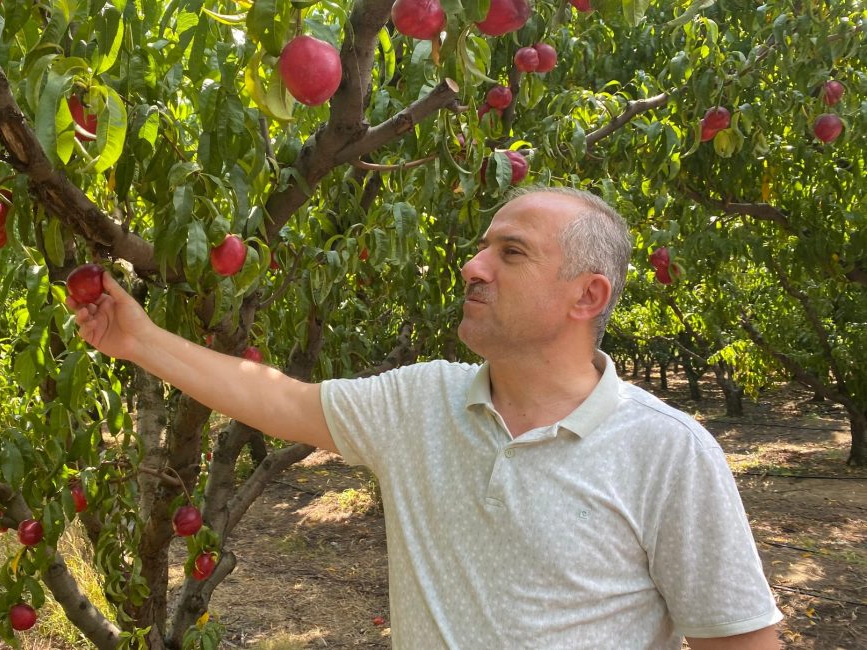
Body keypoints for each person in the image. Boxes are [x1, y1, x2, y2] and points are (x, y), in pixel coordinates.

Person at [68, 186, 784, 649]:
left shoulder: (666, 452)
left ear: (585, 296)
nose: (473, 267)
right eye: (481, 247)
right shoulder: (423, 401)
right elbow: (280, 400)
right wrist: (139, 341)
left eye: (510, 253)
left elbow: (739, 642)